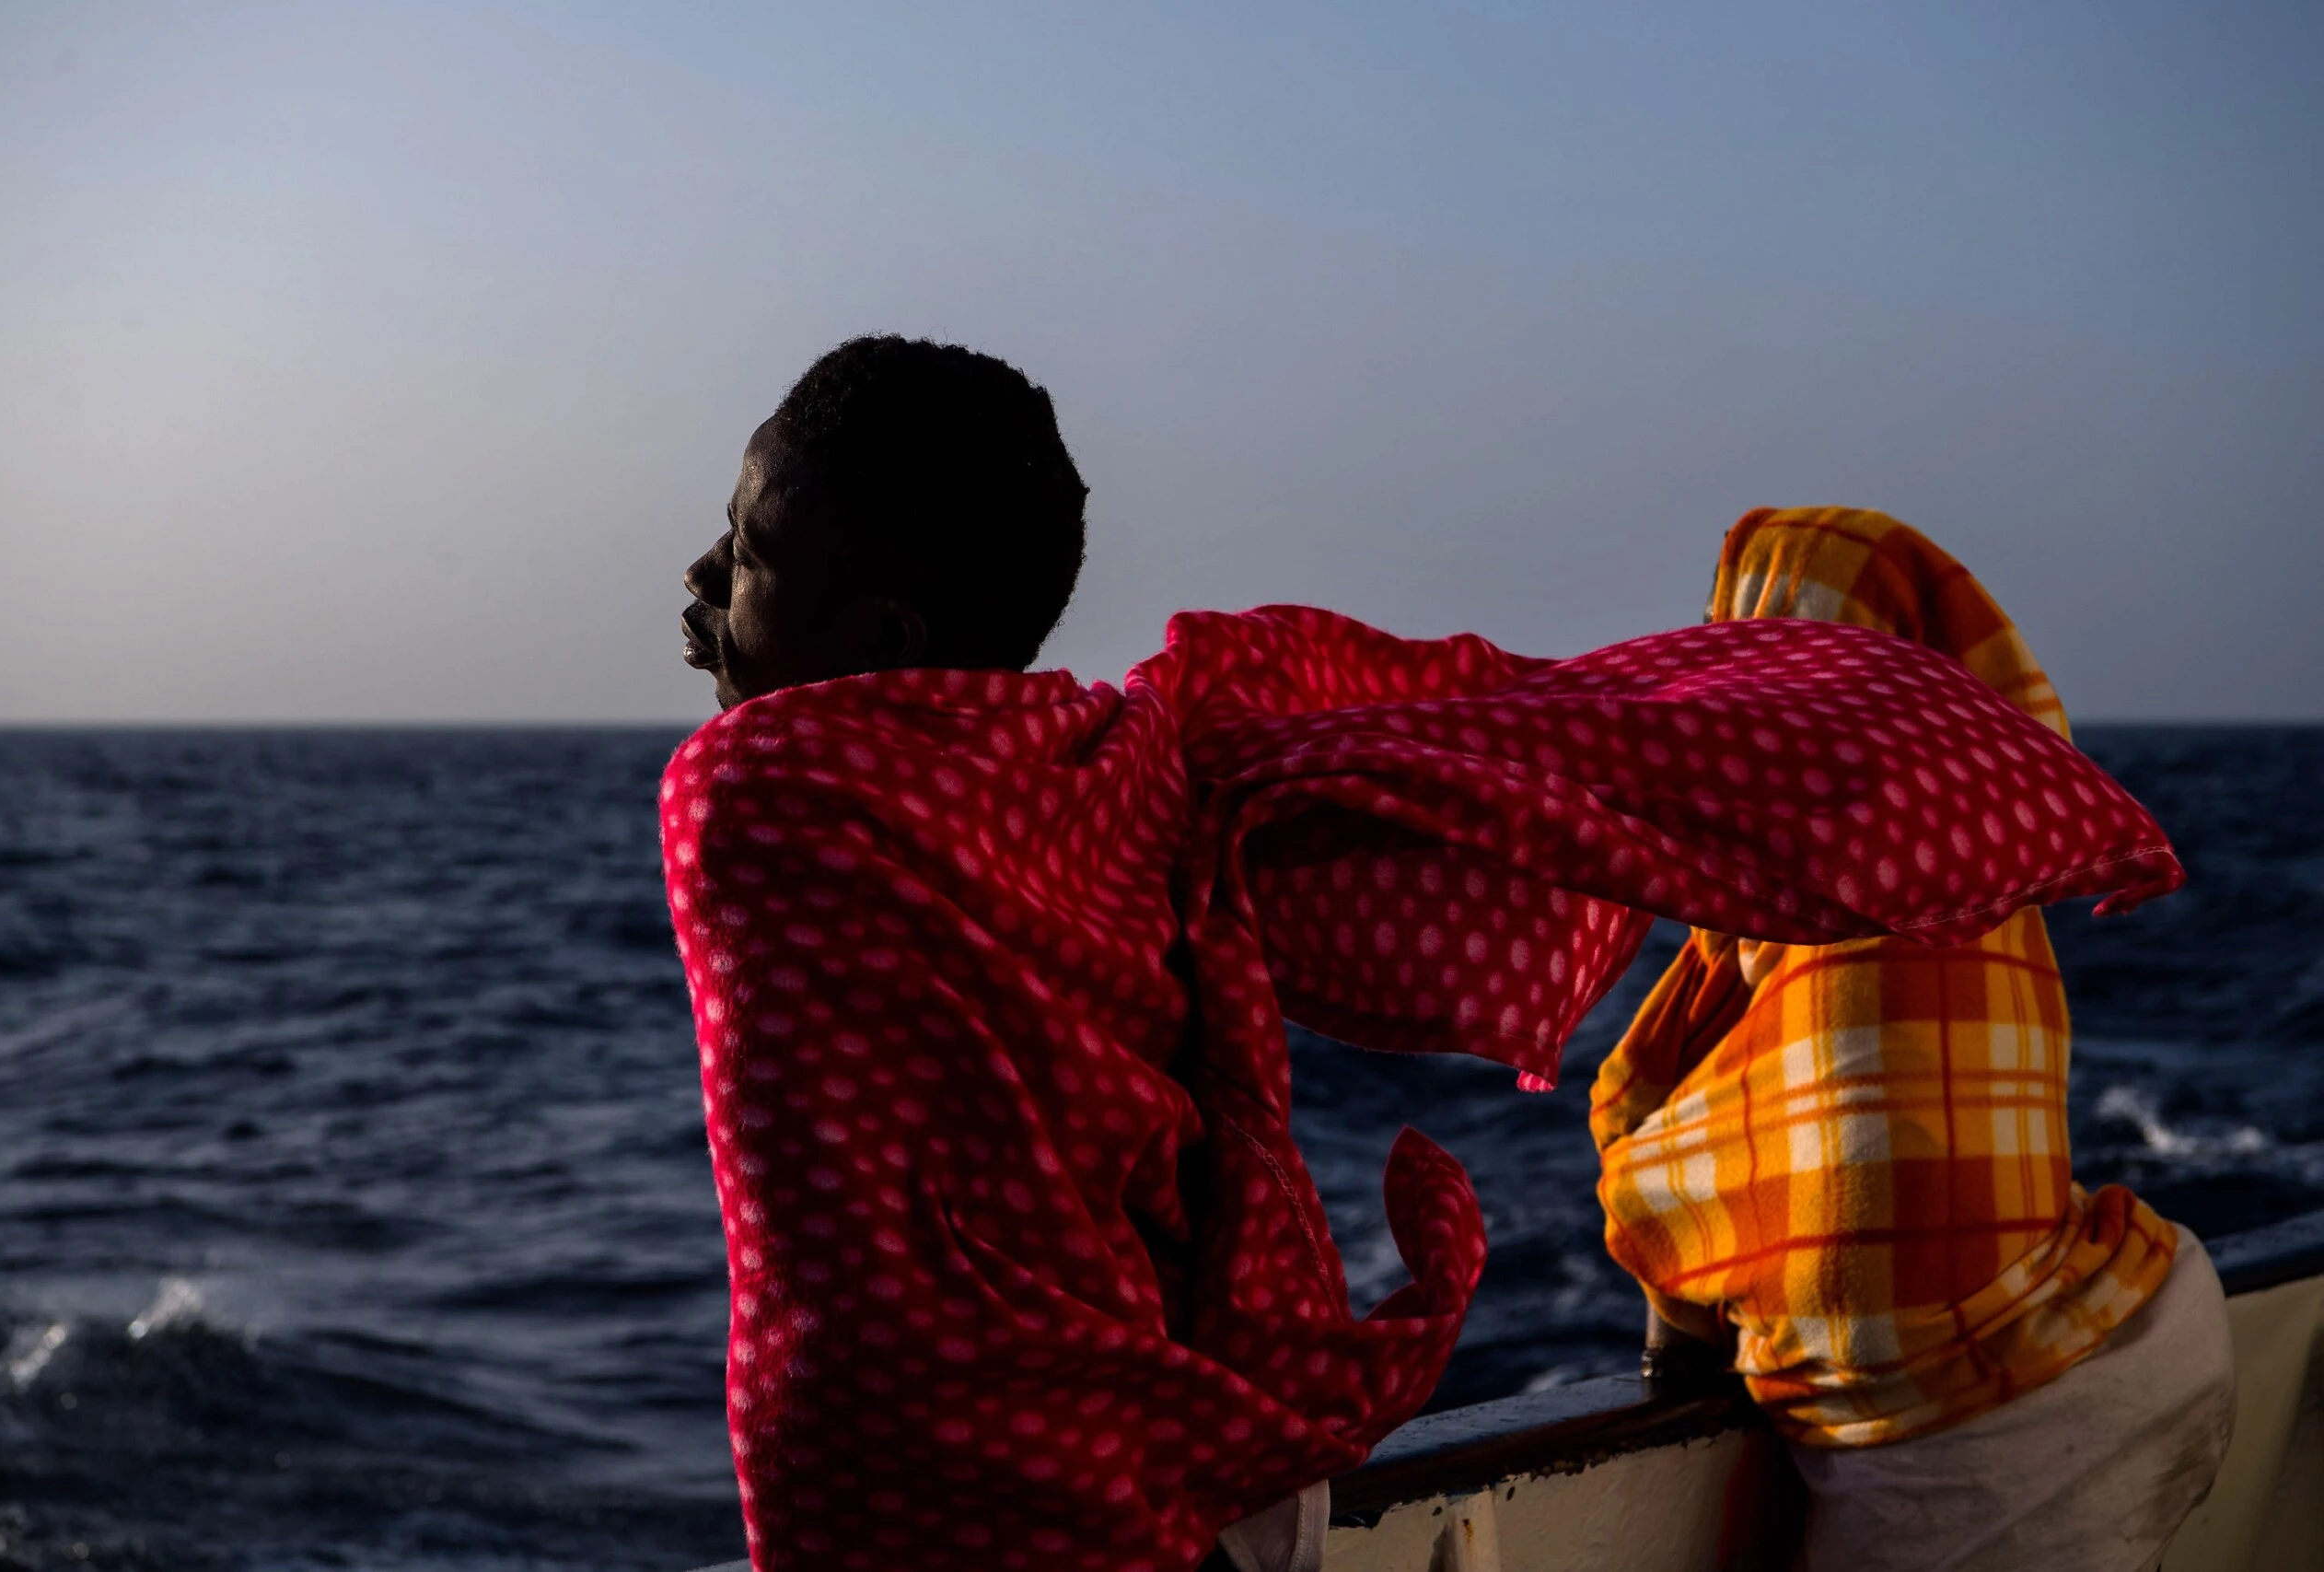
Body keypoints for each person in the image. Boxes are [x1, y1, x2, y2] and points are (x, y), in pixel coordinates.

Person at [666, 339, 2185, 1572]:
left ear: (884, 634)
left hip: (962, 1500)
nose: (702, 578)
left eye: (746, 557)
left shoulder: (752, 794)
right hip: (1162, 1456)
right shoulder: (1123, 768)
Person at [1591, 508, 2236, 1572]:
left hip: (1975, 1431)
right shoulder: (1983, 866)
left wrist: (1672, 1311)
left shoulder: (1764, 904)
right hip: (2141, 1324)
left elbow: (1656, 1142)